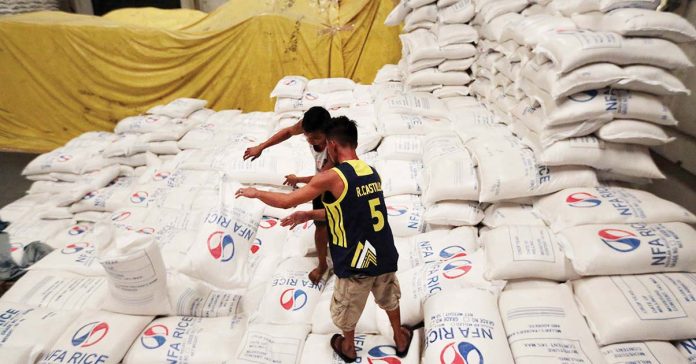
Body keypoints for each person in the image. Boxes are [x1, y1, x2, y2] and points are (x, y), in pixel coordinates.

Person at [236, 116, 412, 362]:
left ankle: (348, 347)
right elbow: (351, 210)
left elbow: (286, 201)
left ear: (332, 144)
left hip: (355, 261)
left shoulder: (332, 177)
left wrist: (255, 193)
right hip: (383, 255)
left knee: (346, 310)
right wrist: (308, 214)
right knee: (389, 299)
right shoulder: (371, 172)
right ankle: (400, 338)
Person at [243, 106, 332, 285]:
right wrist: (261, 147)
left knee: (337, 222)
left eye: (316, 137)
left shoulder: (334, 148)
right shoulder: (308, 127)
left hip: (334, 184)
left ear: (327, 132)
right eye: (307, 136)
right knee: (321, 227)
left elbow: (322, 178)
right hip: (321, 183)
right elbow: (288, 132)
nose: (311, 140)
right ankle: (323, 265)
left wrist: (297, 179)